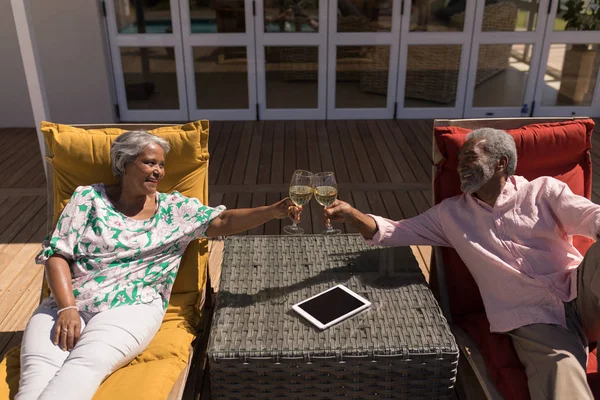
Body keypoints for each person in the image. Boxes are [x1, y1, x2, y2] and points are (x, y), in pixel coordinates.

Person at [16, 130, 298, 400]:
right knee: (36, 375)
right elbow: (57, 254)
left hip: (131, 307)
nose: (159, 171)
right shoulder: (87, 198)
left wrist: (273, 211)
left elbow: (222, 221)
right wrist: (67, 309)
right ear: (124, 164)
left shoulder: (174, 210)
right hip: (66, 304)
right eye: (149, 162)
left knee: (84, 366)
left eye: (161, 165)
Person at [325, 127, 600, 399]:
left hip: (582, 290)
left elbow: (591, 217)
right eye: (458, 162)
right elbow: (395, 230)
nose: (460, 168)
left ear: (501, 162)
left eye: (470, 158)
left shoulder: (543, 191)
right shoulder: (451, 214)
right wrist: (352, 215)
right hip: (534, 319)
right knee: (562, 378)